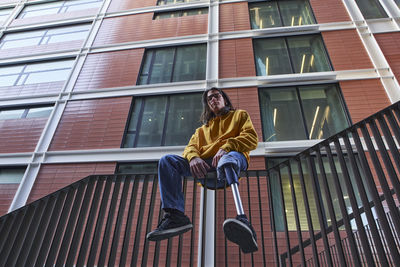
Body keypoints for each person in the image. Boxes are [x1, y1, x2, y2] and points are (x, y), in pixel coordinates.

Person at [146, 87, 259, 253]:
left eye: (216, 96)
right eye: (209, 99)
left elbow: (251, 138)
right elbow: (190, 147)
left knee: (227, 159)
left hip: (233, 159)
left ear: (225, 99)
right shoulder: (201, 131)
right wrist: (193, 157)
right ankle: (176, 216)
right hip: (206, 167)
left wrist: (227, 147)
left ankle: (243, 220)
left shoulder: (240, 115)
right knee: (167, 161)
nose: (213, 100)